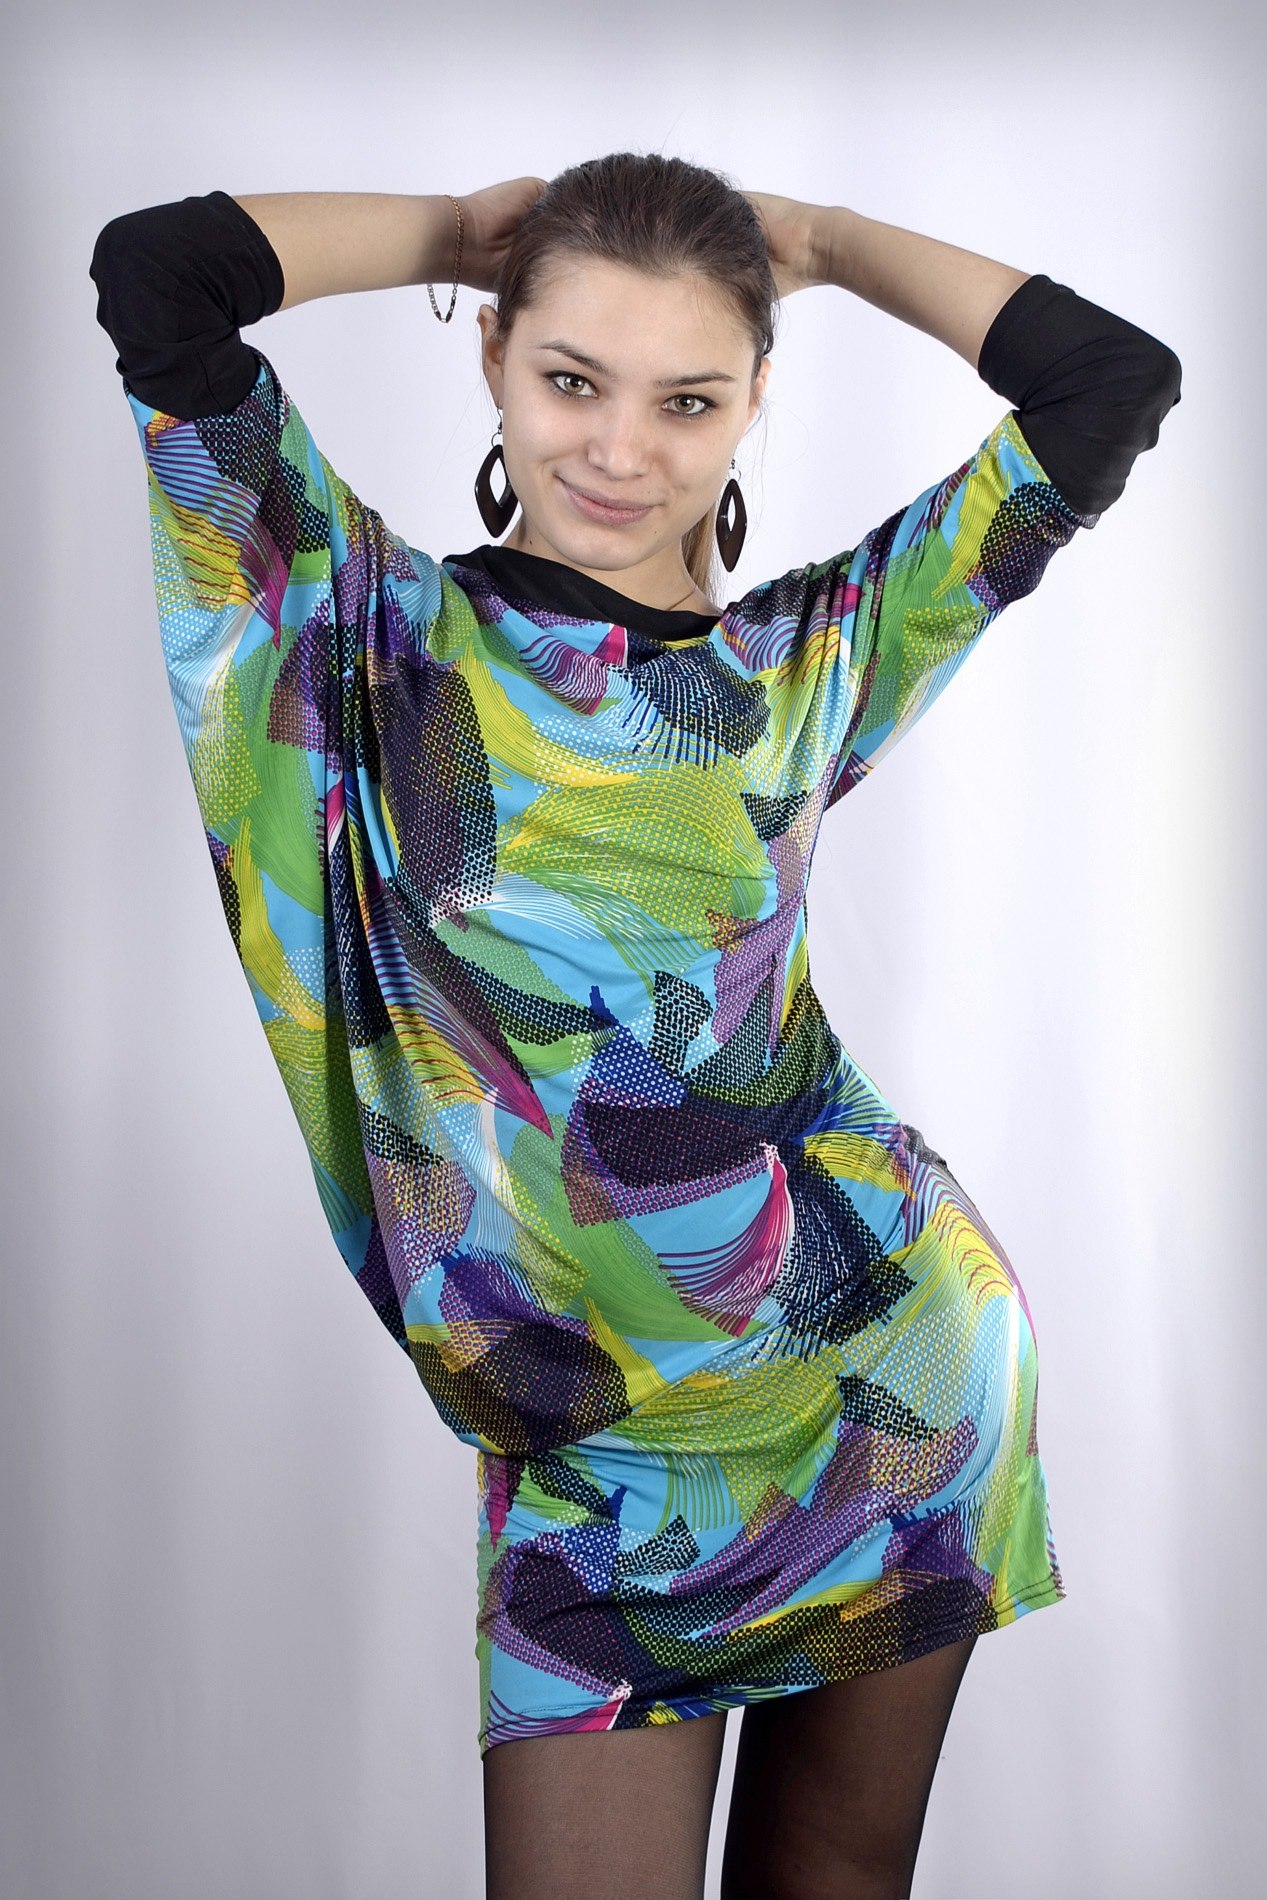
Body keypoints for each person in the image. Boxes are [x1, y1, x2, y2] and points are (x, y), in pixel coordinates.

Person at [90, 153, 1181, 1900]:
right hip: (587, 1461)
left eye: (689, 399)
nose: (619, 450)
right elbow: (161, 274)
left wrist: (824, 244)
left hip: (878, 1379)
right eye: (570, 379)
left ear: (755, 403)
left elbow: (1109, 383)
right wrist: (461, 237)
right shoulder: (366, 634)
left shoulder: (810, 662)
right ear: (495, 358)